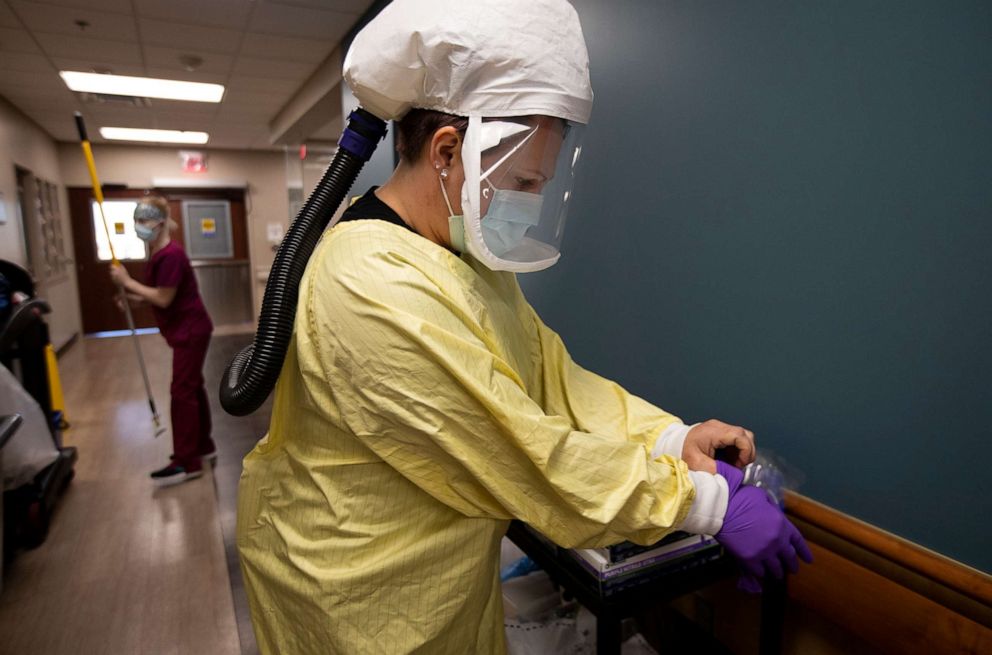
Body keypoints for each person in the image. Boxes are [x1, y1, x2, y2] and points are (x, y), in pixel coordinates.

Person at [236, 1, 811, 653]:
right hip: (361, 601)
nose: (530, 201)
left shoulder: (461, 257)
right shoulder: (369, 281)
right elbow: (524, 453)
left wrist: (672, 438)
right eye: (523, 181)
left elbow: (556, 379)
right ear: (449, 151)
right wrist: (706, 504)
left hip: (443, 582)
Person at [109, 196, 215, 486]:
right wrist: (132, 297)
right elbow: (159, 294)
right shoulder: (158, 255)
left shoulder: (171, 255)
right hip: (186, 329)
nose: (139, 226)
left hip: (190, 331)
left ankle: (186, 461)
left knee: (182, 391)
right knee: (192, 387)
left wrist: (128, 282)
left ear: (159, 222)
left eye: (143, 221)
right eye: (137, 221)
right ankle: (203, 446)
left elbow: (164, 298)